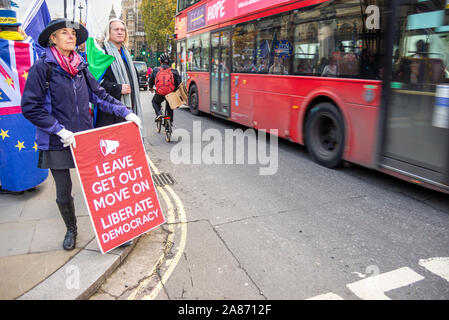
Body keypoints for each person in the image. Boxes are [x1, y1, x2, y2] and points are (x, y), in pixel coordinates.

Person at [21, 19, 141, 251]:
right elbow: (30, 107)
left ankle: (112, 232)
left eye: (73, 33)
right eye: (64, 33)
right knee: (64, 192)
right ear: (53, 39)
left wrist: (126, 112)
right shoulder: (42, 68)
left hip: (84, 138)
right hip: (57, 140)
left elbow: (100, 96)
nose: (70, 37)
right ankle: (71, 229)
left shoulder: (80, 66)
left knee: (100, 186)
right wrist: (58, 130)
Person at [96, 18, 144, 133]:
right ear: (109, 32)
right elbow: (97, 83)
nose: (120, 32)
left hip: (129, 109)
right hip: (111, 113)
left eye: (123, 30)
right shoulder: (103, 54)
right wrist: (118, 88)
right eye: (116, 29)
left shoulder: (126, 54)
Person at [148, 53, 182, 124]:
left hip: (160, 93)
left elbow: (151, 81)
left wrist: (151, 88)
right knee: (170, 105)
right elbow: (179, 83)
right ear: (169, 62)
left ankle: (159, 114)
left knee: (154, 102)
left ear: (160, 61)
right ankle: (169, 122)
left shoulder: (155, 70)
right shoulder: (174, 71)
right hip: (170, 93)